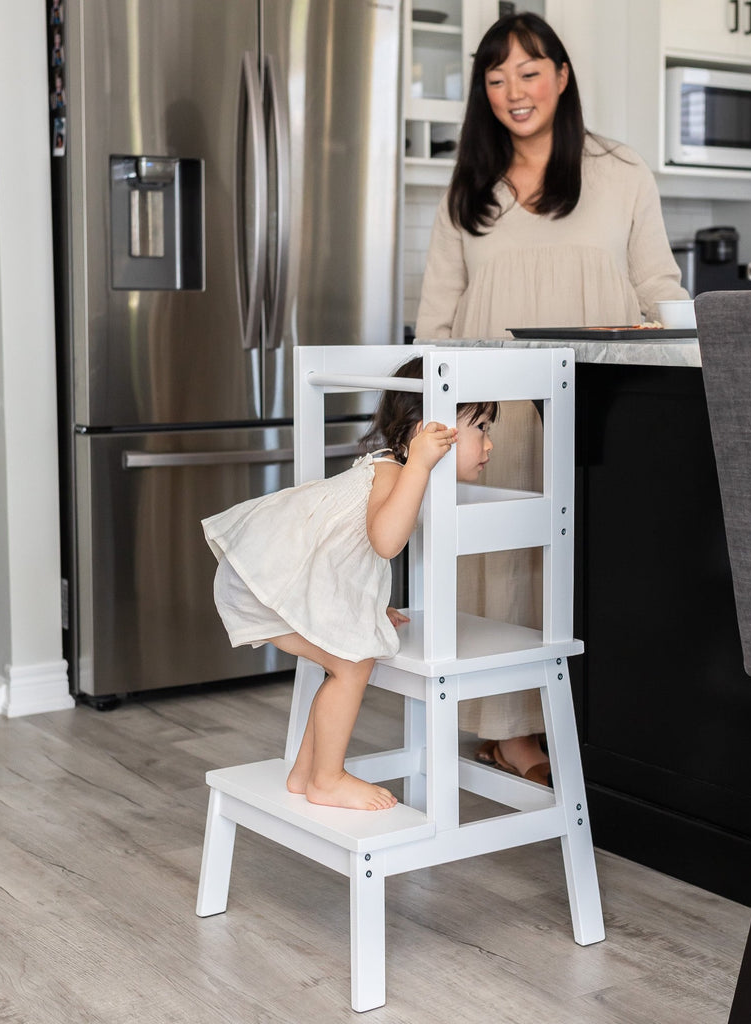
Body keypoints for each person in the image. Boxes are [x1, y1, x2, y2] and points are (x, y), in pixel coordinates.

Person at [415, 12, 688, 785]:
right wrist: (438, 420)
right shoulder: (469, 183)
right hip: (493, 403)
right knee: (503, 559)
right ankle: (505, 729)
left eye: (528, 72)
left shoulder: (620, 170)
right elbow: (438, 313)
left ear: (561, 75)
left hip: (601, 400)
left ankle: (588, 717)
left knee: (586, 560)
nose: (512, 92)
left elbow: (657, 287)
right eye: (495, 78)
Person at [202, 358, 497, 811]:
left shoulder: (393, 469)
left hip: (276, 575)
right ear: (424, 431)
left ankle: (306, 774)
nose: (489, 443)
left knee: (346, 656)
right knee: (352, 663)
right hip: (265, 576)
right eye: (478, 427)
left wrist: (370, 606)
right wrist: (419, 465)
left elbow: (349, 553)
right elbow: (383, 542)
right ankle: (328, 778)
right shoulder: (396, 471)